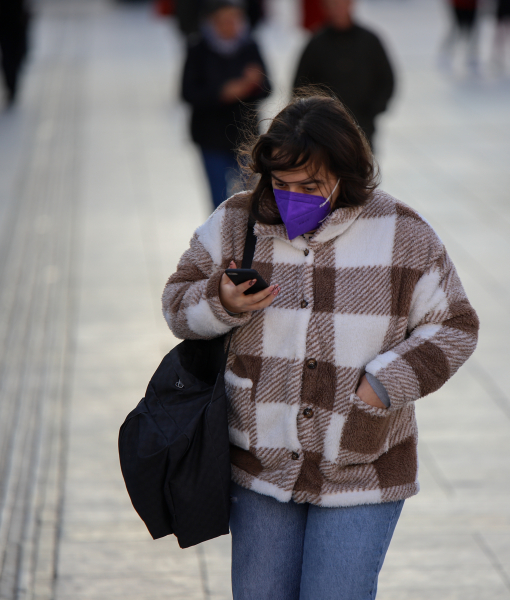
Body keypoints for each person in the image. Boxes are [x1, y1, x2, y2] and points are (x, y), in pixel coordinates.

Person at [162, 93, 479, 599]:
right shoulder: (235, 221)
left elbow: (455, 326)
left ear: (345, 172)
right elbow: (177, 304)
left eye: (310, 185)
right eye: (281, 183)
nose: (293, 196)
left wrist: (380, 386)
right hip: (260, 465)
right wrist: (219, 300)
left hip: (363, 465)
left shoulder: (403, 233)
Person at [182, 0, 271, 210]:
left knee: (250, 198)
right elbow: (187, 93)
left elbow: (269, 87)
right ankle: (221, 240)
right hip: (211, 137)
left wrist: (252, 84)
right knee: (219, 200)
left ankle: (247, 240)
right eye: (224, 21)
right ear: (212, 23)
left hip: (245, 136)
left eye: (235, 20)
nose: (230, 26)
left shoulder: (250, 47)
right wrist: (221, 93)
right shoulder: (198, 50)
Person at [293, 0, 394, 149]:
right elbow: (300, 85)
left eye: (341, 4)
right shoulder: (316, 43)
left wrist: (373, 109)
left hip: (362, 124)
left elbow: (386, 79)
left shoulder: (369, 40)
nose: (338, 9)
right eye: (333, 5)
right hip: (325, 129)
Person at [0, 0, 31, 106]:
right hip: (3, 17)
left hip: (17, 16)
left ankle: (11, 84)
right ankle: (10, 85)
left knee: (17, 52)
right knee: (7, 52)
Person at [439, 0, 480, 70]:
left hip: (471, 6)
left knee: (472, 32)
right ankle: (446, 54)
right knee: (456, 31)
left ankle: (471, 56)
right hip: (459, 5)